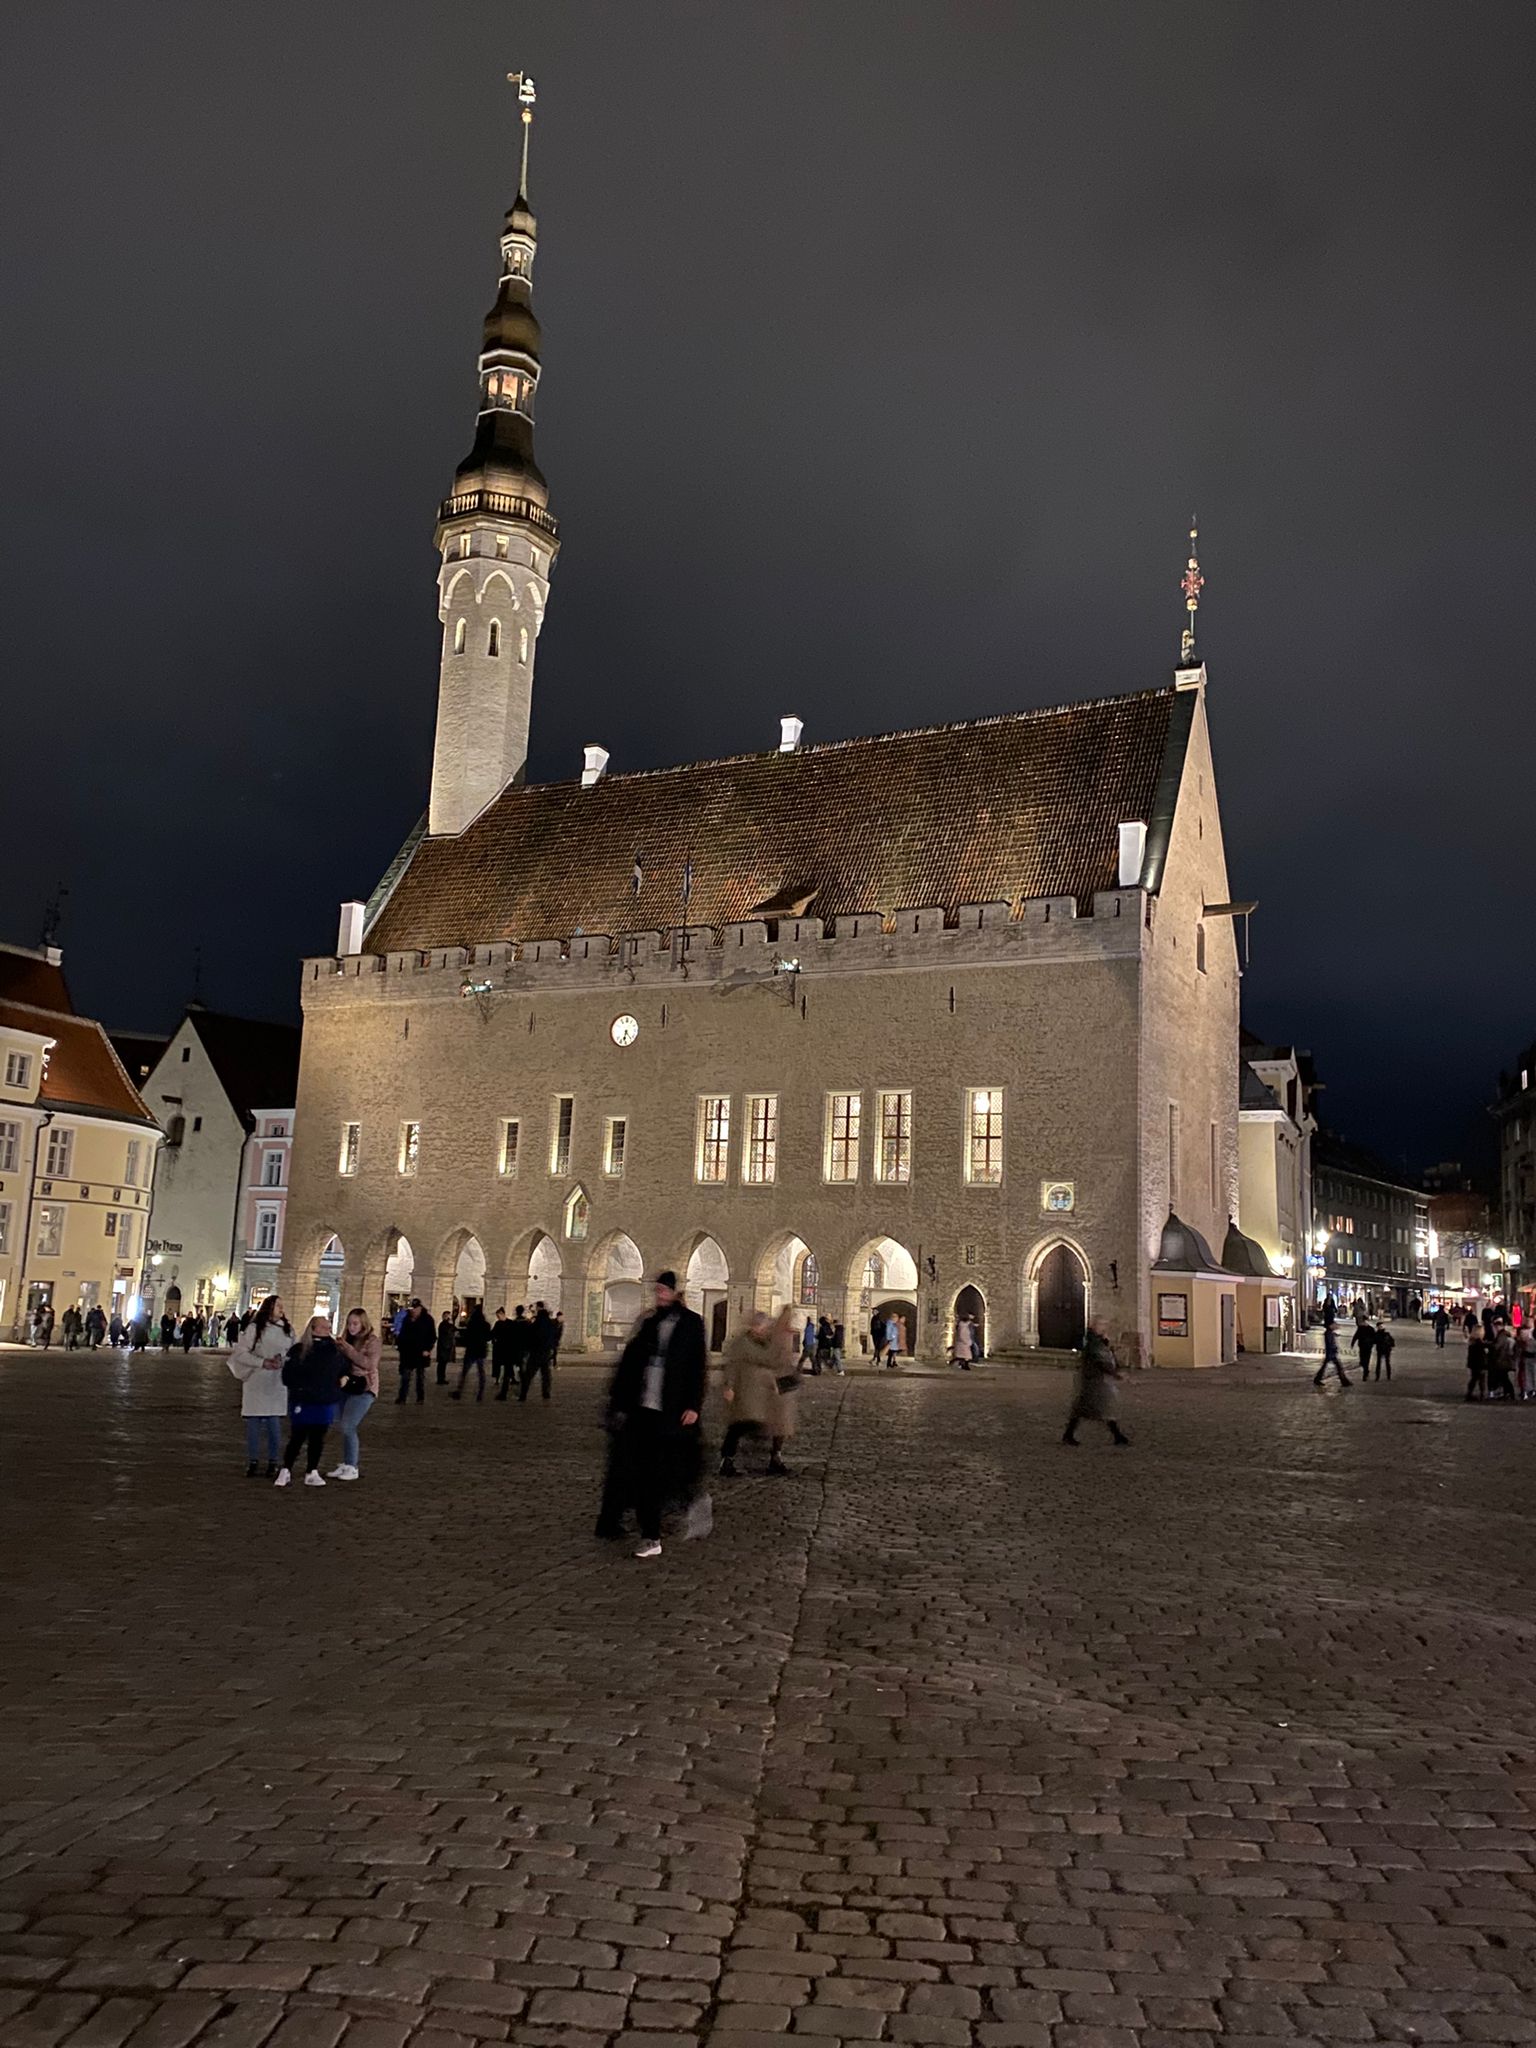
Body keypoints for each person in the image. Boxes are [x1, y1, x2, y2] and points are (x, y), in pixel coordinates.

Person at [596, 1270, 708, 1557]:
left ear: (674, 1291)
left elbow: (698, 1368)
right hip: (644, 1410)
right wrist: (620, 1404)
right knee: (646, 1473)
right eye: (656, 1290)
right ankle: (651, 1536)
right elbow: (632, 1365)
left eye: (663, 1290)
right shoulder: (651, 1322)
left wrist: (693, 1405)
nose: (659, 1295)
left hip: (673, 1410)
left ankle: (691, 1505)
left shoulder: (692, 1323)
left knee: (672, 1470)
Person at [720, 1308, 797, 1477]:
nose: (762, 1330)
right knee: (739, 1426)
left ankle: (755, 1459)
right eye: (760, 1327)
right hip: (744, 1390)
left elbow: (773, 1361)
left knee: (751, 1425)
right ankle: (728, 1461)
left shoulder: (765, 1342)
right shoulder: (742, 1343)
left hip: (759, 1393)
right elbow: (732, 1365)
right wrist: (729, 1386)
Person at [275, 1315, 347, 1487]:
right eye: (323, 1326)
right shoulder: (299, 1349)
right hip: (304, 1400)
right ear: (313, 1328)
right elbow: (288, 1375)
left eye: (328, 1326)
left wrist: (342, 1379)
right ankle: (286, 1469)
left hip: (324, 1399)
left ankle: (312, 1470)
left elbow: (343, 1369)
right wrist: (299, 1388)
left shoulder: (334, 1350)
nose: (327, 1329)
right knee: (298, 1436)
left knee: (318, 1437)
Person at [228, 1295, 293, 1477]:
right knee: (254, 1424)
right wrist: (262, 1362)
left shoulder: (287, 1329)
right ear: (268, 1307)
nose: (281, 1308)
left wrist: (283, 1360)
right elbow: (240, 1353)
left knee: (274, 1425)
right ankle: (253, 1461)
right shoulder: (254, 1329)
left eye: (282, 1305)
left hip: (276, 1382)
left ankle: (273, 1461)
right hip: (256, 1381)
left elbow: (292, 1352)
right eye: (277, 1305)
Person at [1062, 1318, 1129, 1446]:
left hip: (1097, 1380)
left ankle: (1118, 1436)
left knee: (1094, 1408)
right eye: (1101, 1325)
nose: (1104, 1328)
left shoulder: (1098, 1341)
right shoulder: (1093, 1342)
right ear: (1094, 1326)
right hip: (1094, 1380)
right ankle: (1118, 1436)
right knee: (1099, 1407)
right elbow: (1099, 1360)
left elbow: (1106, 1357)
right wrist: (1115, 1374)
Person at [331, 1307, 380, 1479]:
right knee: (342, 1424)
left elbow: (369, 1364)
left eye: (355, 1323)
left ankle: (352, 1466)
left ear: (363, 1323)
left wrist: (349, 1350)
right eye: (349, 1323)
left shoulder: (372, 1341)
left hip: (364, 1387)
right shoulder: (346, 1339)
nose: (351, 1327)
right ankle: (346, 1463)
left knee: (348, 1425)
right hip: (347, 1385)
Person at [395, 1297, 435, 1403]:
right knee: (405, 1376)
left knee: (420, 1377)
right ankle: (402, 1397)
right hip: (408, 1352)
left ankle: (420, 1397)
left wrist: (428, 1349)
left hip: (421, 1352)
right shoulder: (407, 1319)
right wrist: (400, 1346)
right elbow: (403, 1334)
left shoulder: (427, 1320)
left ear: (420, 1308)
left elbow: (432, 1336)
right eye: (411, 1309)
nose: (413, 1311)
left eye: (415, 1309)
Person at [452, 1302, 492, 1401]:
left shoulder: (471, 1323)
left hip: (471, 1350)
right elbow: (488, 1337)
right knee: (481, 1372)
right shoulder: (486, 1325)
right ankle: (480, 1394)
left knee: (465, 1372)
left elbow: (467, 1336)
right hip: (481, 1350)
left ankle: (459, 1391)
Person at [520, 1303, 556, 1402]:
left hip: (535, 1353)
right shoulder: (550, 1325)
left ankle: (523, 1394)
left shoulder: (536, 1324)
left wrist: (527, 1349)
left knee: (529, 1374)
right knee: (546, 1375)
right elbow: (553, 1339)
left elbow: (529, 1337)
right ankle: (546, 1393)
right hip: (546, 1353)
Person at [495, 1305, 531, 1400]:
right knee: (522, 1374)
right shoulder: (527, 1323)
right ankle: (523, 1395)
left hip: (512, 1350)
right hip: (523, 1350)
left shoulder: (513, 1323)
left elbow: (510, 1337)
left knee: (507, 1372)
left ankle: (503, 1394)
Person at [1313, 1322, 1350, 1388]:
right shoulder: (1329, 1334)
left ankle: (1318, 1378)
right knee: (1338, 1367)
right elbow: (1330, 1344)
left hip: (1330, 1353)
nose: (1335, 1326)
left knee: (1328, 1366)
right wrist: (1334, 1349)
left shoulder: (1329, 1333)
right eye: (1334, 1325)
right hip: (1331, 1353)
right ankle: (1344, 1381)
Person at [1464, 1324, 1488, 1402]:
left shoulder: (1472, 1342)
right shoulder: (1480, 1343)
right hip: (1480, 1364)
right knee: (1481, 1380)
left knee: (1474, 1379)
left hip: (1473, 1364)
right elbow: (1481, 1356)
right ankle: (1482, 1395)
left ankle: (1469, 1394)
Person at [434, 1310, 457, 1386]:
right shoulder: (443, 1324)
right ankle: (440, 1379)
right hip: (443, 1346)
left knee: (443, 1364)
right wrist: (451, 1324)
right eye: (448, 1316)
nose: (449, 1317)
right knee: (442, 1363)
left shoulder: (447, 1324)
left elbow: (454, 1329)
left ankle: (442, 1378)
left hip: (446, 1346)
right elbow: (448, 1331)